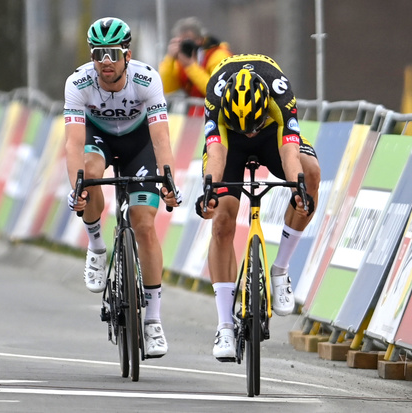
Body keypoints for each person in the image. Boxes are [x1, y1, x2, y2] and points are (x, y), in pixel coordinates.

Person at [64, 17, 182, 358]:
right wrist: (77, 188)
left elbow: (161, 139)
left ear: (127, 55)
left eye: (113, 54)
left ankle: (153, 320)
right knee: (89, 173)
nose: (105, 62)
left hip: (139, 144)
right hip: (98, 139)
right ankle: (97, 246)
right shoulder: (78, 82)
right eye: (98, 54)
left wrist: (169, 180)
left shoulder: (147, 79)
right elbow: (73, 143)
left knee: (144, 224)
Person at [195, 54, 320, 360]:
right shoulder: (216, 95)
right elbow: (216, 153)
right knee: (221, 221)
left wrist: (298, 188)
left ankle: (280, 269)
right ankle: (225, 325)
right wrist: (209, 190)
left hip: (272, 134)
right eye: (245, 127)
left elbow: (289, 152)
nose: (249, 131)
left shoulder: (280, 91)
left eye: (253, 125)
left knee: (310, 174)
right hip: (229, 141)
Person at [158, 17, 232, 97]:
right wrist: (169, 59)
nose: (186, 45)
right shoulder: (180, 61)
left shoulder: (217, 56)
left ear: (200, 40)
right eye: (181, 42)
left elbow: (217, 91)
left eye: (189, 40)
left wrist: (191, 67)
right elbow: (167, 89)